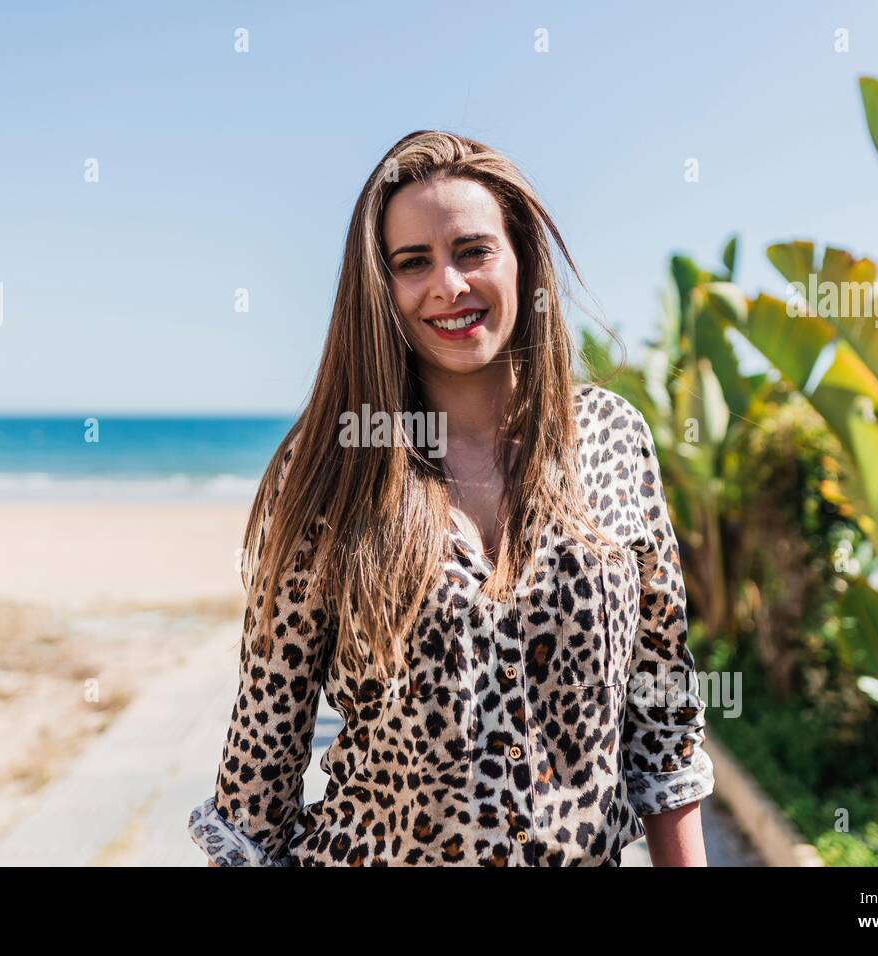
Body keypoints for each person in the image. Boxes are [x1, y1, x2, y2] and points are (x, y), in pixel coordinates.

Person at [188, 130, 713, 867]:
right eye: (413, 263)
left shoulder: (613, 437)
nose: (448, 285)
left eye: (473, 251)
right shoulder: (332, 469)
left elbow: (665, 714)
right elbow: (259, 775)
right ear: (381, 288)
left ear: (521, 259)